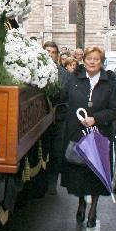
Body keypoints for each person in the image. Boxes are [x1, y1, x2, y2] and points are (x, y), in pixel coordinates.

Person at [61, 45, 116, 228]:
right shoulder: (74, 79)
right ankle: (80, 203)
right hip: (78, 134)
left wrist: (96, 119)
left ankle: (93, 208)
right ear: (83, 60)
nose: (92, 62)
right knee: (79, 173)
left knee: (95, 174)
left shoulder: (109, 82)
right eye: (89, 58)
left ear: (101, 62)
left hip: (99, 135)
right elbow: (64, 99)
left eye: (96, 59)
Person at [42, 40, 67, 194]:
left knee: (57, 151)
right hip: (41, 120)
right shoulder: (35, 71)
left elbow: (66, 94)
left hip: (59, 118)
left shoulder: (64, 74)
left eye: (53, 52)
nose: (50, 55)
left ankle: (52, 181)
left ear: (57, 55)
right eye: (47, 52)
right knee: (43, 150)